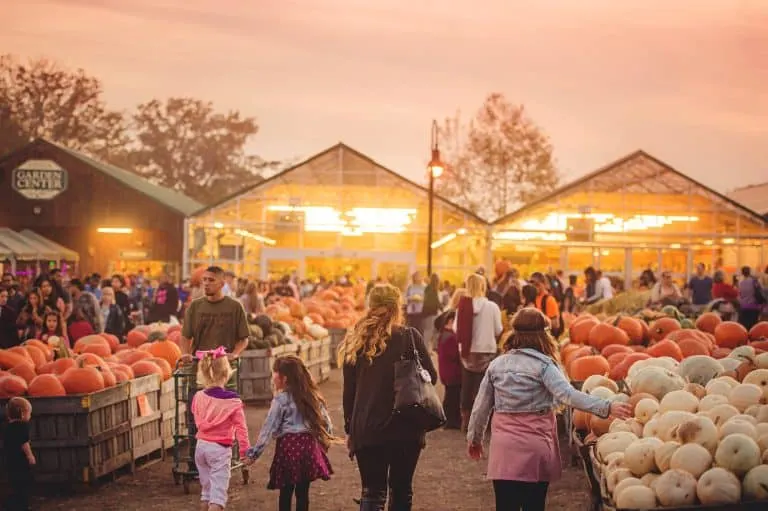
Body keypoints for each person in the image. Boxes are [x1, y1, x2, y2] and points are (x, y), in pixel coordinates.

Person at [467, 308, 633, 511]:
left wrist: (474, 438)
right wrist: (606, 407)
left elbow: (480, 408)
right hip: (535, 447)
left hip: (505, 448)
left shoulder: (496, 365)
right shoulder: (545, 366)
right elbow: (569, 395)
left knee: (505, 505)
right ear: (543, 335)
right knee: (534, 505)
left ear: (514, 334)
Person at [340, 284, 437, 511]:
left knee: (372, 493)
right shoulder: (409, 337)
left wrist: (350, 429)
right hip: (406, 425)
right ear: (397, 308)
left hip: (368, 427)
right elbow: (431, 376)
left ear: (370, 307)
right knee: (402, 490)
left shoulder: (357, 340)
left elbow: (349, 392)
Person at [247, 356, 334, 511]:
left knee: (285, 494)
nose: (272, 376)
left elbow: (268, 429)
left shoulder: (280, 400)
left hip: (289, 451)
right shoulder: (311, 396)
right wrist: (323, 443)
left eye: (274, 373)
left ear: (284, 378)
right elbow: (326, 423)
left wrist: (254, 454)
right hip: (308, 449)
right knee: (303, 494)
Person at [190, 347, 250, 511]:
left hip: (200, 447)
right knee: (217, 497)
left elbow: (196, 417)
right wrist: (245, 452)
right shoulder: (232, 401)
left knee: (206, 493)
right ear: (226, 374)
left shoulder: (198, 397)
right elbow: (242, 430)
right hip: (219, 450)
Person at [456, 273, 502, 433]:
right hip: (487, 351)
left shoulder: (462, 306)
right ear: (483, 287)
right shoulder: (492, 307)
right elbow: (499, 329)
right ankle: (483, 422)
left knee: (467, 388)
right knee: (484, 388)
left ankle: (466, 421)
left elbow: (457, 329)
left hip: (468, 352)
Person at [4, 397, 36, 511]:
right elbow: (24, 443)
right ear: (22, 414)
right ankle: (22, 504)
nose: (30, 416)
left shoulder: (7, 427)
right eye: (29, 413)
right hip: (21, 460)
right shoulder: (22, 427)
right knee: (24, 482)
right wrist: (30, 456)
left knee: (14, 482)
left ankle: (15, 501)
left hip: (10, 460)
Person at [436, 311, 461, 430]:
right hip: (453, 372)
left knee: (450, 395)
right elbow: (455, 355)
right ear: (450, 321)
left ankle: (448, 419)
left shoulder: (443, 335)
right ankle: (451, 420)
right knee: (453, 397)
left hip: (446, 372)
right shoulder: (450, 337)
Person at [531, 272, 563, 338]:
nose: (535, 287)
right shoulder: (534, 299)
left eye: (537, 285)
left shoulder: (549, 300)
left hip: (548, 337)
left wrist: (538, 321)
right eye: (532, 285)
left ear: (544, 284)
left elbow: (555, 324)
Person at [738, 266, 764, 331]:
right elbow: (760, 292)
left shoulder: (740, 283)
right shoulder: (754, 281)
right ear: (750, 272)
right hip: (753, 307)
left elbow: (740, 295)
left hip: (743, 308)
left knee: (745, 328)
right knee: (754, 327)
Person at [421, 273, 441, 350]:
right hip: (431, 313)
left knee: (429, 331)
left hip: (427, 313)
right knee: (428, 331)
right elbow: (436, 301)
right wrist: (442, 308)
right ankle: (426, 349)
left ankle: (429, 348)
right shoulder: (432, 289)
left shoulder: (428, 288)